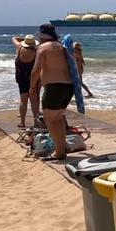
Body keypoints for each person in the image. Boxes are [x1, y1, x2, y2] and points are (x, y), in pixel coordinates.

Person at [30, 24, 73, 161]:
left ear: (42, 37)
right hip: (68, 87)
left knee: (49, 119)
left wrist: (32, 87)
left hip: (54, 87)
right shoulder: (61, 46)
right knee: (58, 119)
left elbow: (36, 69)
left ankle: (59, 151)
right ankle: (60, 149)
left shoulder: (42, 48)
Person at [12, 35, 40, 127]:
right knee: (34, 101)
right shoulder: (36, 52)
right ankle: (36, 122)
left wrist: (23, 38)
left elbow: (14, 38)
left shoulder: (19, 48)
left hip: (21, 79)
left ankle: (22, 122)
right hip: (33, 79)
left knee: (23, 101)